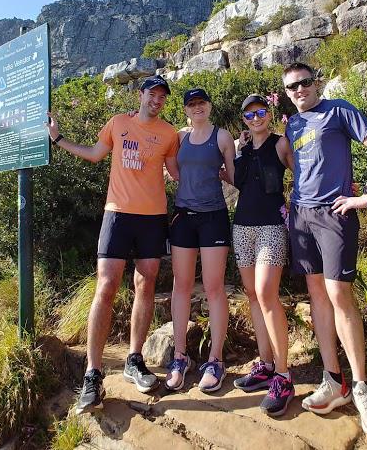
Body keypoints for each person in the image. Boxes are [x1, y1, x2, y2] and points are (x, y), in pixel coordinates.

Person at [46, 75, 180, 412]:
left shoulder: (169, 134)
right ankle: (93, 374)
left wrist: (218, 159)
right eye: (153, 94)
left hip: (152, 218)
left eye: (163, 97)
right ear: (141, 95)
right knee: (106, 286)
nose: (157, 101)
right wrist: (58, 138)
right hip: (117, 215)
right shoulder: (118, 123)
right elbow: (94, 154)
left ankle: (135, 360)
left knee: (146, 283)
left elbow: (177, 172)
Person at [281, 62, 367, 436]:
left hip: (334, 214)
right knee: (316, 295)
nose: (299, 90)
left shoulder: (338, 109)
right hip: (301, 216)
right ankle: (334, 381)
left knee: (338, 294)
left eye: (304, 83)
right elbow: (295, 162)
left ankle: (362, 388)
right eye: (292, 87)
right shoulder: (293, 124)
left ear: (317, 84)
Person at [164, 88, 236, 393]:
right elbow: (173, 171)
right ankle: (180, 357)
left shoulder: (222, 137)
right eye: (191, 104)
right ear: (185, 110)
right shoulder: (178, 136)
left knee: (213, 286)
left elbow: (233, 175)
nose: (197, 108)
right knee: (181, 285)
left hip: (213, 217)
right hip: (183, 217)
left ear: (209, 105)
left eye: (201, 103)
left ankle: (215, 360)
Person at [230, 93, 295, 417]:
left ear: (268, 113)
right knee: (253, 296)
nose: (256, 118)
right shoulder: (243, 150)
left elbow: (300, 173)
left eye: (260, 112)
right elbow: (233, 179)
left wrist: (295, 209)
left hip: (271, 226)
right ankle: (266, 364)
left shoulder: (281, 144)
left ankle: (284, 376)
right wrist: (238, 150)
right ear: (244, 119)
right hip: (242, 227)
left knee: (267, 295)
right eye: (250, 114)